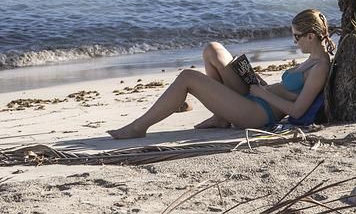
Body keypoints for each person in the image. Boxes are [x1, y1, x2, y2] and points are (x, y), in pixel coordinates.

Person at [107, 9, 335, 139]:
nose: (294, 41)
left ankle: (139, 127)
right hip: (258, 96)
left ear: (310, 36)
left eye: (296, 36)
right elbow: (288, 91)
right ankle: (221, 117)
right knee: (213, 50)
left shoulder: (320, 67)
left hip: (258, 113)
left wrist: (263, 94)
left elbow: (297, 110)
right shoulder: (313, 58)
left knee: (188, 77)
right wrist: (260, 85)